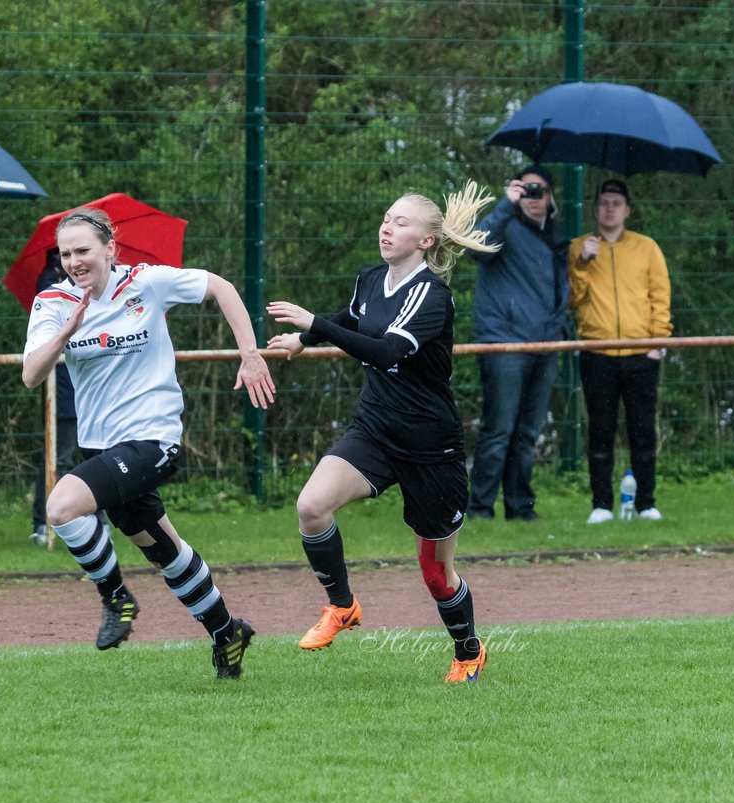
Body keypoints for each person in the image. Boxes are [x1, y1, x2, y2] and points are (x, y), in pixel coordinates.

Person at [22, 206, 275, 678]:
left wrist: (250, 354)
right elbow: (31, 376)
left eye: (84, 250)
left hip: (152, 439)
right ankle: (226, 632)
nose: (74, 261)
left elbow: (222, 287)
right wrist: (64, 334)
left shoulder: (145, 282)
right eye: (65, 253)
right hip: (101, 448)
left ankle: (115, 597)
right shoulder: (52, 302)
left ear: (110, 249)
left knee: (61, 507)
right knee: (163, 549)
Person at [266, 181, 499, 683]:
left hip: (429, 445)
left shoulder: (431, 295)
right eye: (386, 218)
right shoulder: (371, 279)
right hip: (375, 429)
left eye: (401, 222)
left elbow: (389, 351)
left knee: (436, 574)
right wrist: (307, 338)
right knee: (310, 506)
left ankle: (468, 650)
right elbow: (351, 319)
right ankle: (342, 605)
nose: (386, 227)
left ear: (426, 242)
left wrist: (317, 327)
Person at [466, 165, 571, 522]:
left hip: (545, 346)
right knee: (499, 430)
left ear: (551, 196)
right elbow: (475, 248)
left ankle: (520, 509)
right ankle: (479, 509)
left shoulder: (555, 237)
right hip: (504, 344)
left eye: (539, 191)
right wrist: (505, 204)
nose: (533, 197)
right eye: (526, 190)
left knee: (527, 433)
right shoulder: (504, 226)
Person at [569, 180, 672, 523]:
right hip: (596, 353)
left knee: (642, 430)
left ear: (627, 210)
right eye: (603, 203)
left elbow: (660, 298)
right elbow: (570, 299)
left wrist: (658, 343)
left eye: (616, 203)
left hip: (642, 354)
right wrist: (583, 263)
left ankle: (646, 502)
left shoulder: (647, 248)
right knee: (600, 430)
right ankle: (601, 504)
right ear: (595, 209)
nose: (609, 209)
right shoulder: (579, 247)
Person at [29, 249, 83, 546]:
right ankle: (42, 525)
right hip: (62, 389)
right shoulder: (49, 285)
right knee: (56, 458)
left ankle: (96, 520)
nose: (77, 260)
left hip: (95, 390)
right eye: (70, 252)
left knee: (98, 456)